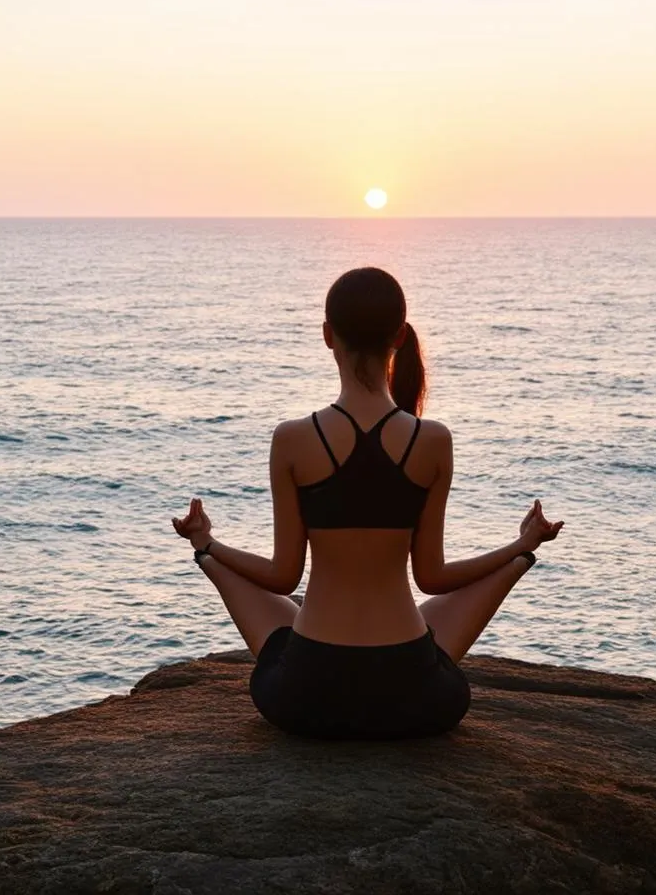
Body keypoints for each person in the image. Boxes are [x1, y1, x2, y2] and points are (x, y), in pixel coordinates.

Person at [172, 266, 563, 739]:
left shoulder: (293, 439)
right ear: (399, 335)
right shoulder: (432, 440)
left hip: (308, 695)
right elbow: (433, 578)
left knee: (280, 615)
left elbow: (283, 577)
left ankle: (204, 553)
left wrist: (208, 542)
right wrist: (520, 546)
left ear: (327, 336)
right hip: (411, 696)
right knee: (426, 625)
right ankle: (523, 557)